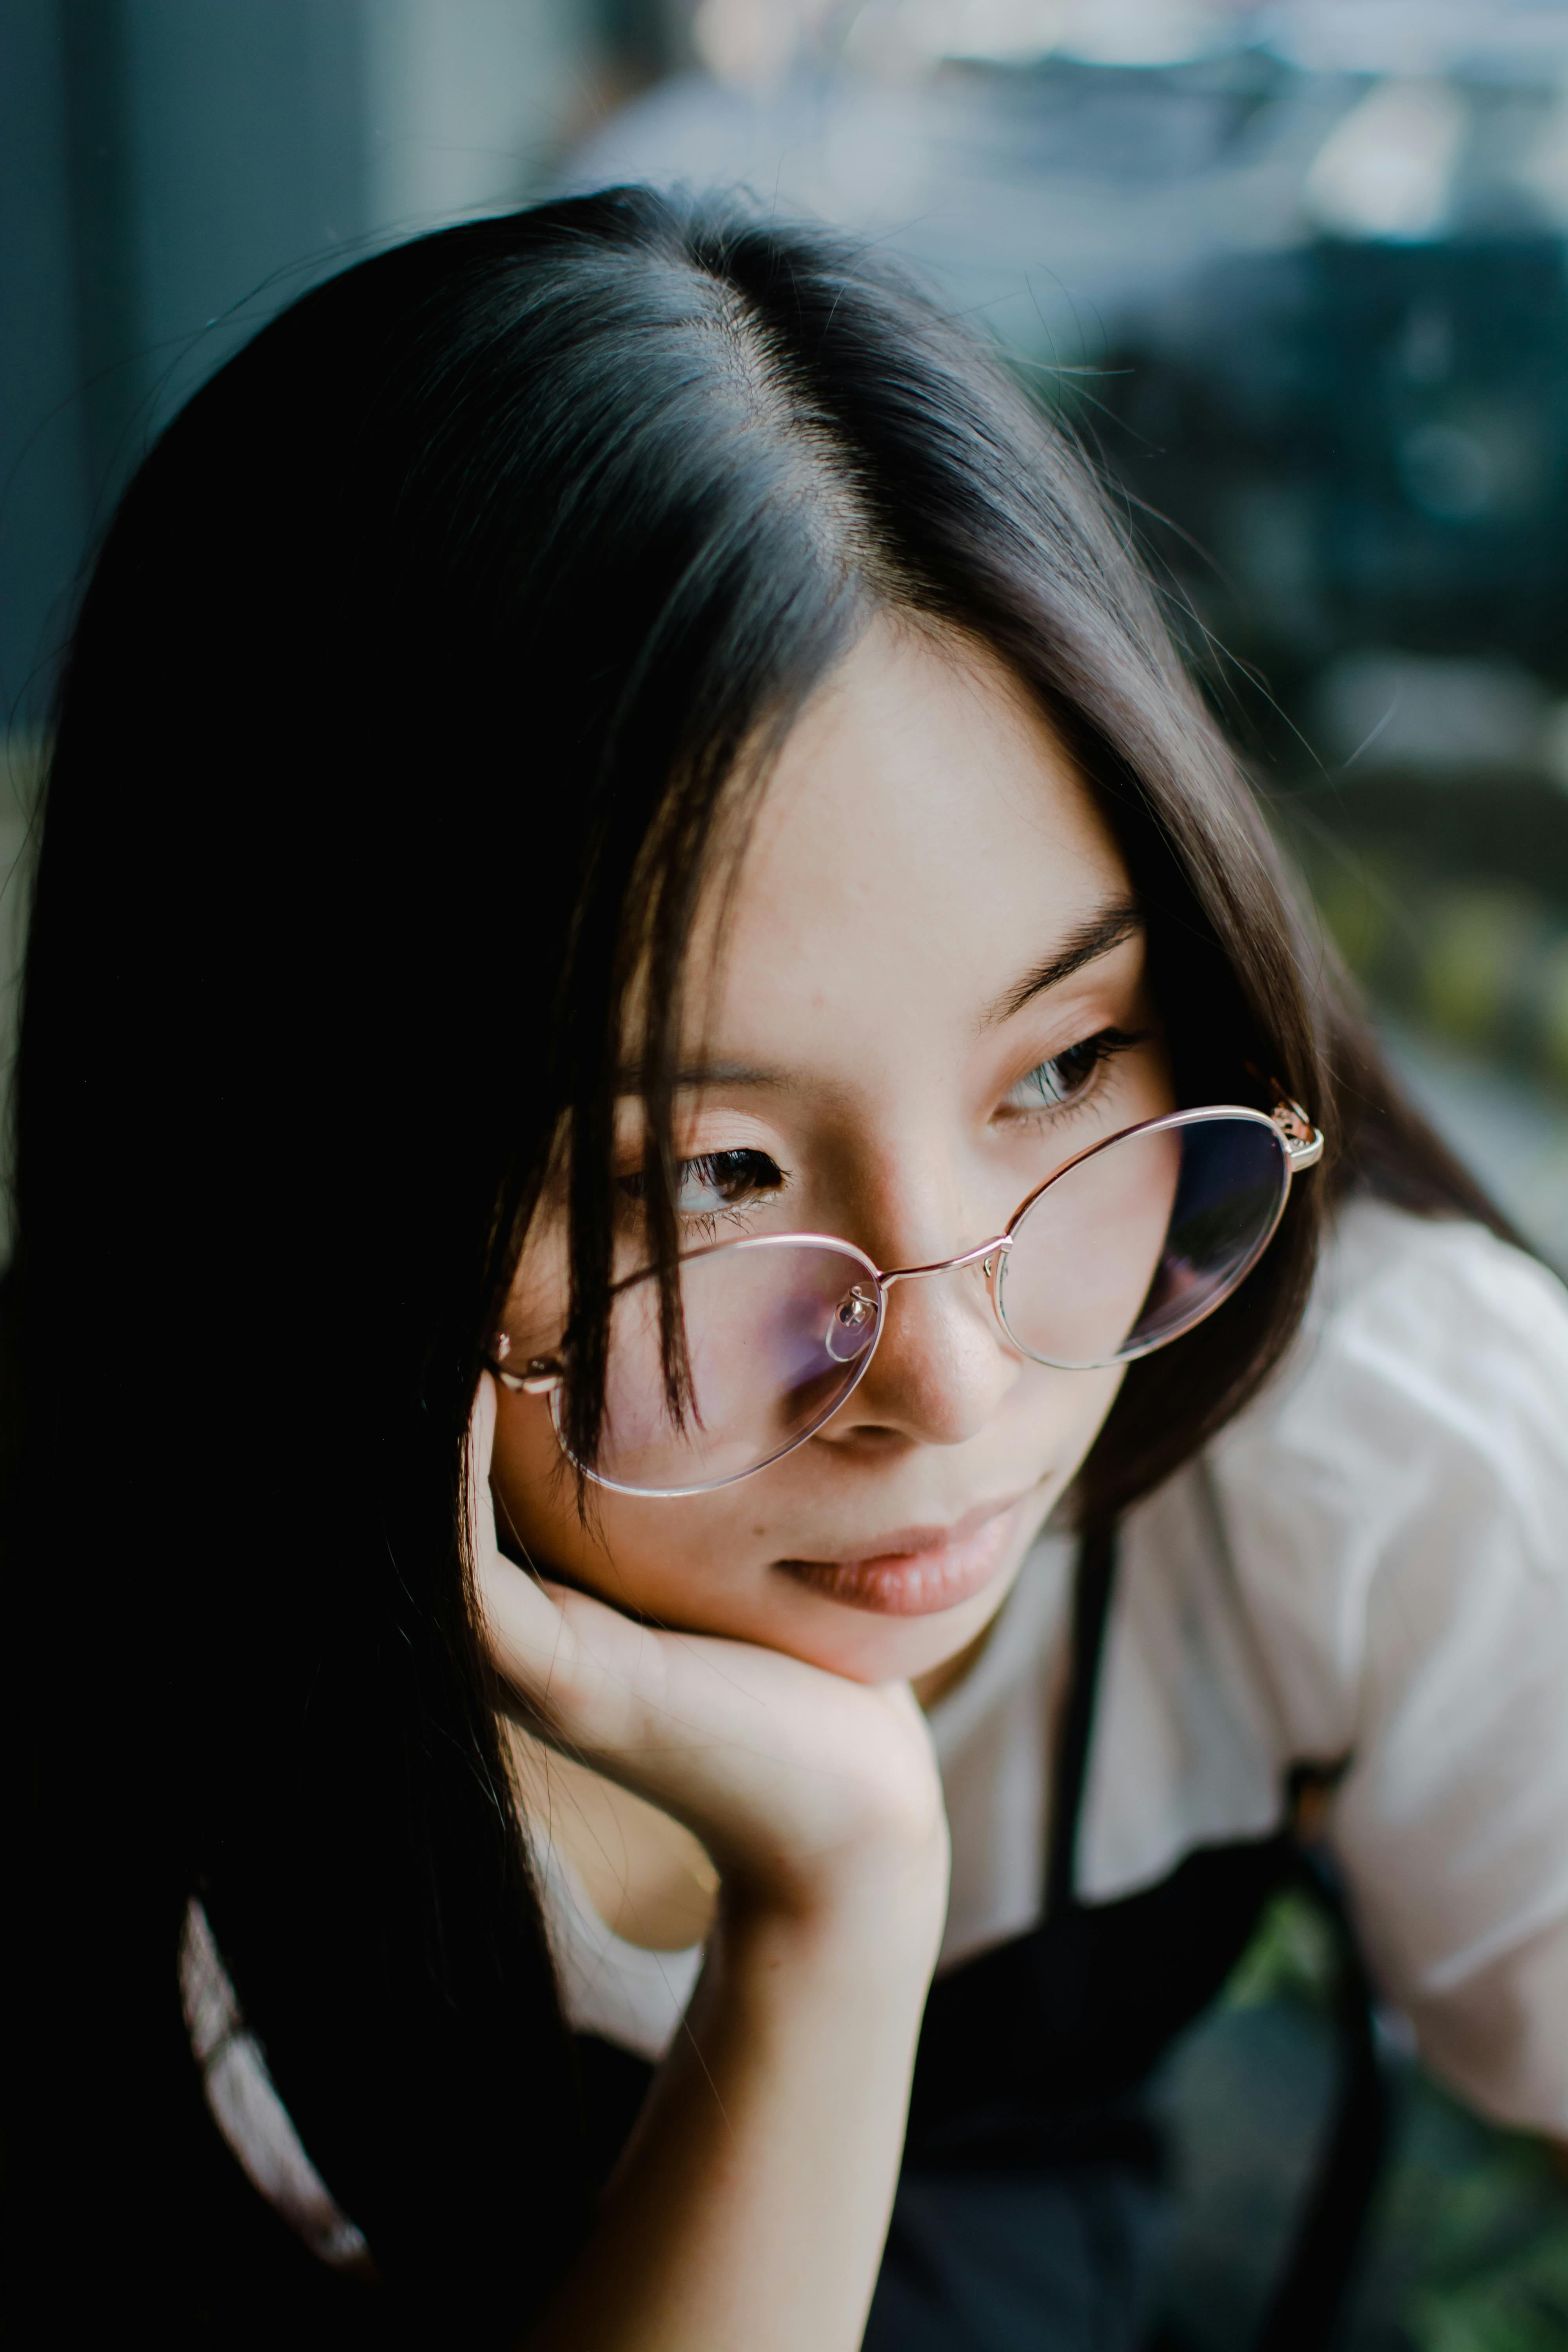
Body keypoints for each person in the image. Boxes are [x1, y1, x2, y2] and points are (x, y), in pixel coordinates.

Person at [9, 187, 1566, 2351]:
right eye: (711, 1175)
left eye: (1065, 1065)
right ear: (307, 1190)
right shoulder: (118, 1711)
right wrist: (831, 1903)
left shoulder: (1369, 1452)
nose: (951, 1376)